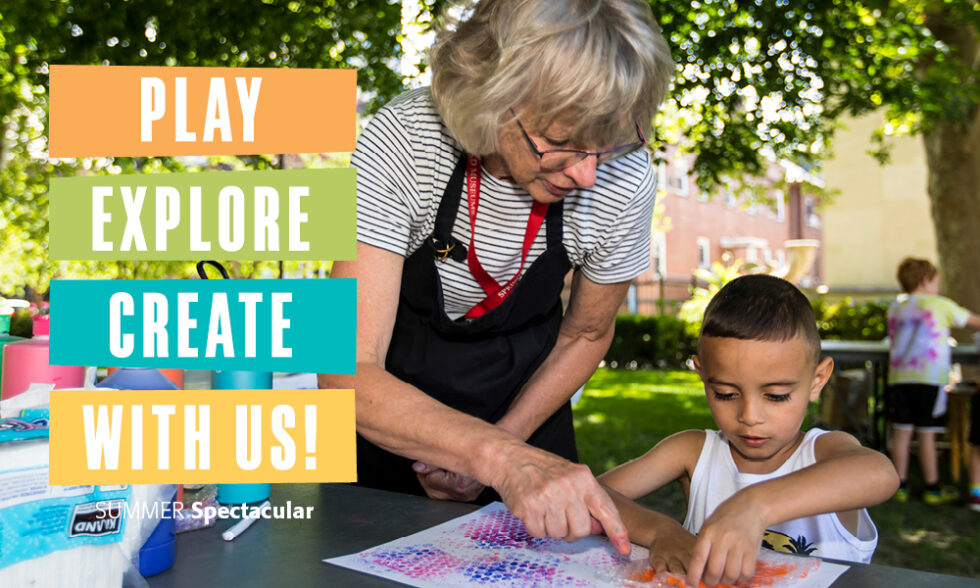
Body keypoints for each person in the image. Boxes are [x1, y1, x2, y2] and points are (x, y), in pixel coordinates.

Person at [317, 0, 677, 551]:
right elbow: (346, 369)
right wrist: (496, 457)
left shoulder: (623, 177)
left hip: (529, 415)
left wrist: (509, 448)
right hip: (391, 422)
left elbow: (586, 333)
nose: (586, 173)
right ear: (494, 100)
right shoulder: (409, 140)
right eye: (562, 141)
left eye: (606, 141)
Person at [599, 275, 899, 587]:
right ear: (703, 375)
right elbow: (592, 497)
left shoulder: (824, 453)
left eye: (776, 396)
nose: (749, 416)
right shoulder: (692, 452)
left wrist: (754, 506)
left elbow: (880, 473)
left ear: (817, 381)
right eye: (726, 394)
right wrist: (660, 530)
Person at [886, 257, 980, 504]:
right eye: (936, 282)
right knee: (928, 433)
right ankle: (932, 488)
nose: (937, 287)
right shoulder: (940, 305)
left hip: (899, 377)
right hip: (930, 377)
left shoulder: (896, 307)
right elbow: (971, 321)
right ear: (926, 280)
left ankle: (900, 486)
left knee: (901, 433)